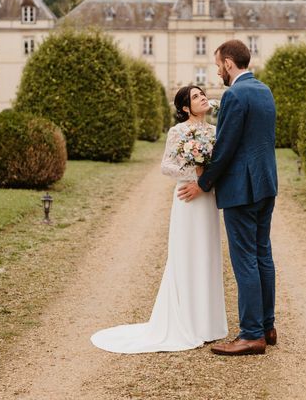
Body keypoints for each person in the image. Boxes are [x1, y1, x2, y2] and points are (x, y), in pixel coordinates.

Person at [90, 85, 228, 353]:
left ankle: (208, 323)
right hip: (187, 200)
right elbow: (166, 165)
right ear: (186, 107)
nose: (202, 98)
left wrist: (206, 177)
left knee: (208, 254)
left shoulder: (214, 131)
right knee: (186, 255)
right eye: (196, 97)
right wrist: (192, 172)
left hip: (207, 199)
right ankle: (186, 320)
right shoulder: (177, 132)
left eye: (202, 95)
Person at [178, 39, 278, 356]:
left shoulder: (234, 94)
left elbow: (225, 148)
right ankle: (267, 326)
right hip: (266, 185)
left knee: (245, 259)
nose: (217, 70)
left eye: (219, 63)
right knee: (263, 255)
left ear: (230, 63)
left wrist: (203, 184)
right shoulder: (264, 90)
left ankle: (251, 335)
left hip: (242, 190)